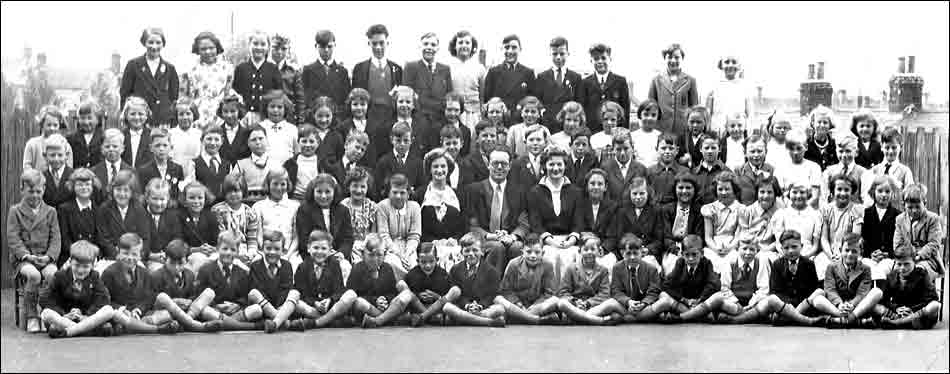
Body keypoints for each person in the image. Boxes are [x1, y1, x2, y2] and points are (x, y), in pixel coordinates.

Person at [8, 169, 61, 333]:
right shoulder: (15, 211)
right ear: (22, 189)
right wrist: (26, 255)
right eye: (30, 191)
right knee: (34, 275)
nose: (35, 195)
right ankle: (31, 315)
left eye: (38, 191)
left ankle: (46, 313)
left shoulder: (51, 211)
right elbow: (13, 238)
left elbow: (56, 238)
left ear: (44, 190)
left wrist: (49, 257)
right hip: (24, 259)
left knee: (53, 274)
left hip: (45, 258)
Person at [100, 233, 181, 335]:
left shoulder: (144, 273)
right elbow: (104, 300)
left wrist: (139, 310)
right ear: (118, 252)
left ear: (140, 255)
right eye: (125, 253)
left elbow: (149, 298)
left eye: (134, 254)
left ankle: (136, 326)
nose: (130, 258)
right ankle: (155, 329)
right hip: (120, 315)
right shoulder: (109, 273)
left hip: (139, 315)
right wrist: (121, 309)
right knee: (116, 316)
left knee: (167, 314)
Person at [527, 147, 584, 282]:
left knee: (570, 257)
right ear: (544, 166)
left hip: (569, 241)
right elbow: (535, 223)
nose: (556, 168)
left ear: (565, 166)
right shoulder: (535, 192)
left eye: (559, 164)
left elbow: (578, 222)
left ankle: (566, 295)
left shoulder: (575, 192)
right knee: (550, 258)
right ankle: (550, 295)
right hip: (547, 241)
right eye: (551, 164)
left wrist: (570, 241)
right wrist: (551, 242)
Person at [40, 241, 117, 338]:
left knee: (108, 310)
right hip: (65, 319)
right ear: (70, 261)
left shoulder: (94, 276)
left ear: (93, 265)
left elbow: (103, 299)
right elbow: (45, 298)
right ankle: (87, 330)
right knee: (46, 313)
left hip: (87, 318)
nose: (80, 270)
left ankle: (69, 332)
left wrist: (86, 316)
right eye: (77, 265)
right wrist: (64, 314)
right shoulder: (60, 276)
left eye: (85, 267)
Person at [286, 230, 359, 330]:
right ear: (308, 248)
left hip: (330, 307)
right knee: (294, 299)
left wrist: (330, 300)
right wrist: (315, 303)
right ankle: (331, 321)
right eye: (315, 248)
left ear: (329, 251)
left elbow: (339, 290)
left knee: (351, 294)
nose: (319, 252)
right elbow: (302, 293)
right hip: (311, 308)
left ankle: (316, 323)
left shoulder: (334, 265)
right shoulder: (302, 267)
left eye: (324, 248)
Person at [193, 231, 266, 331]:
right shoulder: (206, 269)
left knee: (256, 309)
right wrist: (217, 306)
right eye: (225, 249)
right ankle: (249, 327)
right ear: (217, 249)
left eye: (233, 250)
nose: (228, 253)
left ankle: (223, 324)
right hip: (214, 311)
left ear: (237, 252)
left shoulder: (242, 272)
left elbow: (245, 296)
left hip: (235, 312)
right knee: (205, 310)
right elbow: (199, 295)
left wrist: (237, 305)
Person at [808, 233, 882, 328]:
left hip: (857, 306)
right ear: (840, 250)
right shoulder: (831, 267)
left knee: (877, 292)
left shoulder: (865, 269)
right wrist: (839, 304)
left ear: (861, 252)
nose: (850, 254)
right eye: (846, 250)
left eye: (854, 251)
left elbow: (862, 292)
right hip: (838, 306)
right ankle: (854, 320)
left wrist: (851, 304)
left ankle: (844, 319)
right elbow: (830, 290)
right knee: (817, 300)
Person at [148, 239, 223, 333]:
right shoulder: (156, 276)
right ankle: (196, 326)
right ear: (164, 259)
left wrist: (188, 301)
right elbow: (151, 302)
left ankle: (185, 322)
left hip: (187, 312)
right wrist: (174, 302)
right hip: (168, 312)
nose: (176, 267)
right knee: (164, 301)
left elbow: (194, 297)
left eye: (180, 264)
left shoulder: (190, 275)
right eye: (172, 263)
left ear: (187, 261)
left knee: (209, 293)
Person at [348, 234, 416, 328]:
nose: (375, 259)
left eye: (379, 255)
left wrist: (385, 300)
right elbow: (352, 295)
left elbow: (393, 293)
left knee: (407, 294)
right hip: (369, 309)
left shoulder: (387, 268)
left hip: (386, 308)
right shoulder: (357, 269)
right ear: (363, 254)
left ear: (384, 255)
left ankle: (378, 321)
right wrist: (375, 301)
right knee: (359, 302)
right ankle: (389, 320)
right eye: (371, 255)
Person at [295, 174, 355, 279]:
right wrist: (320, 252)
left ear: (334, 192)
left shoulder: (343, 210)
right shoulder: (304, 210)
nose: (323, 196)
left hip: (336, 254)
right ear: (313, 191)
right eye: (319, 192)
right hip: (314, 253)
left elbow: (348, 237)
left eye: (327, 192)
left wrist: (341, 253)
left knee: (344, 267)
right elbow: (304, 238)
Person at [654, 235, 725, 323]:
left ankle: (681, 317)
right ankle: (698, 315)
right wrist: (684, 300)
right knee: (663, 294)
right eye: (687, 255)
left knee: (718, 297)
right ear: (682, 254)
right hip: (684, 304)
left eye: (694, 254)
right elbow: (667, 284)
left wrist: (700, 299)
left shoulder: (706, 263)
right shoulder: (680, 263)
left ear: (702, 253)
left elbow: (714, 284)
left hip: (700, 302)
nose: (690, 259)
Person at [441, 233, 507, 327]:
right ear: (461, 252)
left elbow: (491, 294)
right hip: (464, 307)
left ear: (482, 251)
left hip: (482, 308)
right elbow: (457, 295)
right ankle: (488, 322)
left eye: (475, 250)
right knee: (447, 307)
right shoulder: (455, 269)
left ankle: (466, 319)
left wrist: (480, 306)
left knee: (500, 309)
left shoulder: (492, 271)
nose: (471, 254)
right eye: (467, 251)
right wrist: (467, 305)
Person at [416, 148, 466, 269]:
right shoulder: (420, 194)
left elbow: (463, 226)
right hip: (428, 248)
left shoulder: (458, 195)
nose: (439, 170)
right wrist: (434, 242)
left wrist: (455, 240)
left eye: (443, 166)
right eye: (435, 166)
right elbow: (417, 227)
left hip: (454, 247)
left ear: (448, 169)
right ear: (430, 170)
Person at [495, 235, 561, 325]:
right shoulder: (513, 264)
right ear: (522, 252)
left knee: (555, 300)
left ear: (543, 253)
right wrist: (518, 304)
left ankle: (521, 318)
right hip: (517, 306)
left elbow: (549, 293)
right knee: (498, 299)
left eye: (537, 252)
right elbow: (506, 290)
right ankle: (535, 320)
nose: (533, 256)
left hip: (537, 307)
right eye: (529, 252)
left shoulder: (548, 265)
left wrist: (535, 306)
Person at [872, 245, 942, 330]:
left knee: (935, 305)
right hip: (898, 313)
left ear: (914, 262)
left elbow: (933, 297)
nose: (902, 268)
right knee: (874, 306)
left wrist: (912, 309)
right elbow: (884, 300)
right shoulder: (892, 276)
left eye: (907, 264)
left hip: (916, 314)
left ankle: (897, 323)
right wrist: (896, 308)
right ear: (895, 262)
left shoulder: (922, 274)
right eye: (899, 264)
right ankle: (903, 321)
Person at [120, 27, 179, 125]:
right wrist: (125, 117)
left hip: (162, 120)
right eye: (150, 42)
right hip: (139, 120)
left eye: (158, 43)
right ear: (144, 43)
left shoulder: (170, 68)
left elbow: (173, 98)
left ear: (163, 44)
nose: (154, 47)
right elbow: (125, 94)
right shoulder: (133, 65)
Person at [95, 170, 150, 271]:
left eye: (126, 190)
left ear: (132, 192)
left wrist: (135, 255)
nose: (122, 194)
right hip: (111, 257)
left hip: (134, 257)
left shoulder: (139, 209)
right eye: (118, 190)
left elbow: (145, 237)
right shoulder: (104, 209)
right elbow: (103, 238)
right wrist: (117, 255)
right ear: (112, 190)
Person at [352, 24, 402, 132]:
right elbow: (355, 98)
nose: (378, 47)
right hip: (369, 120)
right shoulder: (360, 68)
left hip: (391, 120)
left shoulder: (397, 69)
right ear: (369, 44)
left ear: (387, 43)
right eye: (374, 43)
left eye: (381, 43)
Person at [247, 230, 301, 333]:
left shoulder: (287, 266)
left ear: (283, 251)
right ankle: (285, 323)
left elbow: (286, 289)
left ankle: (275, 323)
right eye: (268, 248)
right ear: (262, 249)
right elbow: (257, 289)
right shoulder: (256, 266)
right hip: (263, 307)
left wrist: (280, 307)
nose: (272, 252)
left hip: (280, 306)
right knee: (255, 293)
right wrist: (272, 310)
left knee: (294, 293)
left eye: (276, 249)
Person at [714, 235, 772, 324]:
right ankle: (750, 317)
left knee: (767, 302)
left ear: (757, 250)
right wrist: (736, 303)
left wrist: (750, 305)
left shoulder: (761, 262)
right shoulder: (730, 261)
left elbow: (763, 289)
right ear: (737, 249)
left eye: (752, 249)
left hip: (753, 302)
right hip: (734, 302)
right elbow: (724, 288)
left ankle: (736, 319)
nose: (748, 253)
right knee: (718, 299)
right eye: (744, 249)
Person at [555, 238, 615, 325]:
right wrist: (575, 301)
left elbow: (604, 294)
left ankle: (578, 318)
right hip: (574, 306)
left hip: (593, 307)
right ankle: (598, 321)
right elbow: (563, 291)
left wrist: (588, 303)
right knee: (562, 303)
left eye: (593, 249)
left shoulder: (603, 270)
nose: (589, 252)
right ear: (580, 251)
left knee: (611, 304)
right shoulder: (571, 268)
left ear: (599, 251)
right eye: (586, 249)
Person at [182, 31, 234, 129]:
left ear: (217, 48)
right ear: (197, 50)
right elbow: (186, 96)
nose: (208, 52)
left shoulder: (227, 68)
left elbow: (227, 94)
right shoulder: (191, 69)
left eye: (211, 48)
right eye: (203, 49)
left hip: (219, 114)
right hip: (198, 113)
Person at [894, 183, 946, 279]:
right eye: (910, 207)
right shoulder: (900, 219)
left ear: (925, 203)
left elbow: (934, 243)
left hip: (928, 259)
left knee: (917, 272)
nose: (914, 210)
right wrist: (908, 257)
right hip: (905, 258)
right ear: (903, 205)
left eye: (917, 207)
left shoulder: (932, 219)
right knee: (894, 273)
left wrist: (918, 255)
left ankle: (924, 293)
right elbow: (898, 243)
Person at [376, 174, 423, 280]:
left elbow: (415, 235)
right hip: (389, 248)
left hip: (409, 247)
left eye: (402, 193)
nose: (398, 196)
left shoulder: (415, 207)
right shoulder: (382, 206)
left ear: (408, 194)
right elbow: (383, 235)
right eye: (395, 192)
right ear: (389, 193)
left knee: (414, 266)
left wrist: (407, 254)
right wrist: (399, 255)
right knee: (392, 264)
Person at [816, 175, 863, 279]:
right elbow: (824, 238)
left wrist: (843, 254)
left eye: (846, 190)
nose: (842, 193)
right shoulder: (826, 210)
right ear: (833, 191)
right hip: (830, 251)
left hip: (849, 250)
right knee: (822, 264)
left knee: (851, 266)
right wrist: (831, 255)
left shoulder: (856, 210)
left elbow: (855, 237)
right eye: (839, 189)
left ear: (852, 192)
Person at [252, 168, 300, 268]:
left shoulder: (295, 206)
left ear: (287, 185)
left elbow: (296, 236)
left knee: (294, 266)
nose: (279, 188)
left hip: (289, 252)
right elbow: (258, 234)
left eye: (283, 184)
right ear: (268, 185)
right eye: (275, 184)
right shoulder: (258, 206)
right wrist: (265, 252)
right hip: (265, 251)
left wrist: (287, 254)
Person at [659, 173, 705, 276]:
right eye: (680, 187)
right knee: (671, 265)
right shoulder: (666, 209)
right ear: (675, 189)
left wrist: (688, 250)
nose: (684, 191)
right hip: (671, 248)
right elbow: (665, 236)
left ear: (694, 190)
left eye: (688, 188)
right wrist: (676, 250)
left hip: (692, 248)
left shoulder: (699, 210)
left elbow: (699, 235)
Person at [534, 36, 582, 134]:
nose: (558, 57)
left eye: (562, 54)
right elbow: (538, 103)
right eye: (555, 54)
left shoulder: (576, 77)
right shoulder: (542, 77)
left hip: (568, 126)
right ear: (550, 54)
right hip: (548, 125)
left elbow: (579, 104)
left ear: (568, 54)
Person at [648, 43, 698, 136]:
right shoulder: (656, 80)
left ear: (682, 58)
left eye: (677, 57)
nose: (673, 60)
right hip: (661, 129)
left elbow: (694, 108)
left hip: (683, 130)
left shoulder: (690, 80)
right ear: (664, 59)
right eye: (669, 57)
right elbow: (651, 106)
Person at [210, 175, 260, 268]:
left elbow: (252, 238)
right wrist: (236, 255)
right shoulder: (218, 211)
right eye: (229, 191)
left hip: (245, 249)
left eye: (236, 191)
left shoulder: (250, 213)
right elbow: (220, 237)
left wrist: (251, 253)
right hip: (224, 248)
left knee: (258, 262)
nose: (233, 194)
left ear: (243, 191)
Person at [578, 43, 629, 133]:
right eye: (596, 59)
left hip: (614, 130)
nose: (600, 61)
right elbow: (582, 110)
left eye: (603, 58)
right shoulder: (585, 83)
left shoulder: (620, 81)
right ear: (591, 61)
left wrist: (624, 131)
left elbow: (625, 109)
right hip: (592, 131)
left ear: (610, 59)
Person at [233, 30, 282, 122]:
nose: (259, 47)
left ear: (268, 47)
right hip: (244, 117)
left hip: (266, 118)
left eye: (263, 44)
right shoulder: (241, 68)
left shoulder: (273, 69)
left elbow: (278, 95)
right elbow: (236, 93)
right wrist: (243, 113)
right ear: (249, 45)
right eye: (255, 43)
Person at [483, 34, 534, 122]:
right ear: (502, 50)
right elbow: (487, 99)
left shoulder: (528, 73)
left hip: (520, 120)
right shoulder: (493, 72)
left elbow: (531, 101)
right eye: (506, 48)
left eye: (514, 48)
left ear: (520, 49)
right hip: (498, 120)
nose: (510, 51)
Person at [404, 32, 453, 124]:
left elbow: (449, 95)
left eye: (433, 45)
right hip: (418, 120)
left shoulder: (445, 69)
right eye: (425, 44)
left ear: (437, 48)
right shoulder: (411, 67)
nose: (429, 47)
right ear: (420, 46)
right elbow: (407, 95)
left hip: (440, 120)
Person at [56, 168, 100, 266]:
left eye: (87, 184)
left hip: (93, 257)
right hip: (71, 257)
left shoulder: (98, 210)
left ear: (93, 186)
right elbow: (64, 239)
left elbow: (100, 238)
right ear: (73, 187)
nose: (84, 188)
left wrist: (93, 255)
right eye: (80, 185)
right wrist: (79, 255)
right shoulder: (64, 209)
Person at [861, 175, 899, 284]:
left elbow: (899, 241)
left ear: (892, 193)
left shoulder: (898, 215)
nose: (883, 195)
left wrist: (887, 254)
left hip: (889, 257)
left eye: (887, 191)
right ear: (873, 192)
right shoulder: (866, 213)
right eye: (880, 191)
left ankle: (881, 297)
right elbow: (864, 238)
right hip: (869, 257)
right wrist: (871, 254)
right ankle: (868, 296)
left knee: (882, 269)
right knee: (866, 268)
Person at [229, 125, 282, 204]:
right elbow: (233, 187)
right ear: (248, 143)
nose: (258, 142)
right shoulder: (241, 165)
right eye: (253, 140)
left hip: (271, 205)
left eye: (261, 138)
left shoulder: (276, 164)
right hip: (247, 204)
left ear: (267, 140)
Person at [402, 243, 452, 327]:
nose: (428, 265)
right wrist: (417, 296)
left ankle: (426, 317)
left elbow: (447, 295)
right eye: (423, 262)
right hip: (418, 307)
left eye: (431, 261)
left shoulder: (443, 274)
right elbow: (408, 294)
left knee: (448, 312)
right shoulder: (412, 275)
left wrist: (436, 296)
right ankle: (430, 317)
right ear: (417, 261)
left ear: (437, 259)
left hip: (436, 307)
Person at [701, 172, 742, 273]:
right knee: (708, 259)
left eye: (727, 189)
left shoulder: (741, 209)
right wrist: (715, 248)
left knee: (732, 259)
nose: (723, 192)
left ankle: (726, 287)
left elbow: (738, 235)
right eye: (720, 189)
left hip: (733, 245)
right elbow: (708, 236)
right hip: (714, 245)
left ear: (734, 189)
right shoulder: (709, 209)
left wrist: (729, 247)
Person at [447, 30, 487, 133]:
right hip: (455, 113)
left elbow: (482, 97)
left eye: (467, 43)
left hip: (474, 114)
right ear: (454, 46)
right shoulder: (448, 67)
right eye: (460, 42)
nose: (464, 45)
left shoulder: (480, 68)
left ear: (472, 46)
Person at [373, 121, 426, 197]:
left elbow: (422, 186)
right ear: (391, 140)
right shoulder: (383, 162)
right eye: (398, 140)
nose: (402, 144)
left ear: (411, 140)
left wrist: (414, 193)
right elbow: (377, 188)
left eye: (406, 140)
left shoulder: (418, 163)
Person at [862, 127, 914, 204]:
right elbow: (866, 195)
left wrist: (897, 185)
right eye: (887, 147)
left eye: (894, 147)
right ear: (881, 147)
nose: (890, 151)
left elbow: (910, 198)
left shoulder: (905, 171)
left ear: (901, 147)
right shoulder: (874, 170)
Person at [737, 177, 783, 262]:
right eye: (762, 192)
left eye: (769, 192)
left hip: (770, 250)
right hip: (749, 248)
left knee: (764, 259)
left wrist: (766, 249)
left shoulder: (780, 213)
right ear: (757, 193)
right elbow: (742, 235)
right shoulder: (748, 211)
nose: (765, 196)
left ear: (775, 194)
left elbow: (779, 239)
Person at [706, 54, 753, 136]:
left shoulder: (745, 86)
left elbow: (749, 113)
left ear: (738, 66)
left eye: (734, 62)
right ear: (721, 65)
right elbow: (708, 112)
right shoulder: (713, 86)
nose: (730, 65)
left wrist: (748, 131)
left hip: (738, 130)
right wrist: (708, 129)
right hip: (718, 130)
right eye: (727, 62)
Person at [339, 167, 378, 265]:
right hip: (349, 246)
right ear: (348, 186)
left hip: (367, 246)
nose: (358, 190)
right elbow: (341, 234)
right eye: (355, 186)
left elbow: (374, 232)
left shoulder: (372, 206)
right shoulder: (343, 206)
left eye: (363, 186)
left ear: (368, 187)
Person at [142, 178, 182, 271]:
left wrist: (169, 255)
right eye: (154, 199)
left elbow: (178, 238)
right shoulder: (140, 214)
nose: (158, 203)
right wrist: (150, 256)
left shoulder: (173, 215)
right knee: (158, 270)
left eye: (162, 199)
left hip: (169, 258)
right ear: (147, 198)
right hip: (148, 258)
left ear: (168, 199)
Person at [283, 124, 331, 200]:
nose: (308, 145)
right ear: (298, 142)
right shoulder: (290, 163)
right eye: (304, 141)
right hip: (295, 198)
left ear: (318, 143)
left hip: (317, 199)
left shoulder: (323, 163)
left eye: (311, 141)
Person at [137, 129, 185, 205]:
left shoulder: (177, 169)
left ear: (170, 147)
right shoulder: (143, 170)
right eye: (157, 145)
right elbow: (142, 195)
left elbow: (179, 193)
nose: (161, 149)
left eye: (165, 145)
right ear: (151, 148)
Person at [578, 169, 619, 257]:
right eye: (592, 183)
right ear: (587, 186)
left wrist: (602, 249)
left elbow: (613, 236)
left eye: (600, 184)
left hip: (604, 250)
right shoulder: (579, 204)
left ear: (605, 187)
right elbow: (578, 229)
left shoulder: (613, 207)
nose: (596, 187)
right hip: (583, 247)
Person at [23, 105, 74, 172]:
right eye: (49, 125)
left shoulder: (65, 145)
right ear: (42, 125)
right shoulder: (32, 144)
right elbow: (27, 167)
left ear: (59, 125)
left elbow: (69, 169)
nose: (52, 128)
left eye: (55, 125)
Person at [819, 134, 866, 205]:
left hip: (855, 213)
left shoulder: (863, 173)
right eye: (841, 151)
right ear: (836, 152)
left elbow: (866, 201)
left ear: (856, 152)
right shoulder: (828, 172)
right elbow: (823, 199)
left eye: (848, 151)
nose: (844, 155)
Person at [600, 131, 647, 201]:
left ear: (632, 148)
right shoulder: (605, 168)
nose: (622, 153)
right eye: (618, 149)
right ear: (613, 150)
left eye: (626, 148)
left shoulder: (641, 169)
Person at [187, 126, 231, 202]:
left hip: (223, 207)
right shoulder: (194, 163)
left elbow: (230, 187)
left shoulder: (227, 165)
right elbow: (192, 186)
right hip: (202, 207)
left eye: (216, 139)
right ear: (202, 140)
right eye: (209, 139)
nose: (213, 143)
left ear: (222, 141)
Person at [269, 34, 305, 124]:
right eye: (276, 48)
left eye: (284, 49)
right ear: (269, 48)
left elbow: (300, 99)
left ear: (288, 50)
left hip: (288, 119)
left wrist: (300, 121)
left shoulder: (294, 72)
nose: (279, 52)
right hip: (267, 118)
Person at [647, 134, 689, 205]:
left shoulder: (684, 172)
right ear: (657, 149)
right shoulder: (650, 171)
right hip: (654, 211)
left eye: (671, 148)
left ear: (677, 150)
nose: (667, 152)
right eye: (663, 148)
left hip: (675, 211)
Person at [259, 90, 298, 166]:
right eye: (272, 106)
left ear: (285, 109)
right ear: (266, 108)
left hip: (286, 170)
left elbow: (296, 152)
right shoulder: (260, 127)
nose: (275, 110)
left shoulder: (292, 129)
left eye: (279, 107)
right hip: (264, 169)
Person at [733, 135, 775, 205]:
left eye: (759, 151)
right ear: (745, 153)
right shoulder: (738, 171)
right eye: (752, 152)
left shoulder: (771, 170)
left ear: (766, 152)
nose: (756, 155)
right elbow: (735, 197)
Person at [168, 99, 203, 180]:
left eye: (188, 114)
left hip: (195, 176)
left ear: (194, 115)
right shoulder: (170, 134)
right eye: (181, 114)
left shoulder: (199, 135)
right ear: (176, 116)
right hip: (174, 175)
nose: (185, 117)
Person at [216, 93, 252, 164]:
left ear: (239, 112)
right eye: (225, 111)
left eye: (233, 111)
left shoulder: (247, 133)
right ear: (221, 112)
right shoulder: (216, 132)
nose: (229, 115)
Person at [120, 97, 154, 168]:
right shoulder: (121, 135)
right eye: (132, 114)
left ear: (146, 116)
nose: (137, 117)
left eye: (140, 114)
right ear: (126, 115)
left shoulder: (152, 136)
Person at [41, 134, 73, 208]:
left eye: (60, 155)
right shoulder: (41, 177)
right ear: (45, 156)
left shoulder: (73, 176)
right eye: (52, 155)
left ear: (67, 155)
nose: (56, 159)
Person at [69, 101, 104, 169]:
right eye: (82, 118)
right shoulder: (71, 138)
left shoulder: (104, 137)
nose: (86, 122)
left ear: (97, 119)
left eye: (89, 118)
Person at [803, 105, 839, 171]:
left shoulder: (835, 145)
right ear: (813, 123)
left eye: (825, 122)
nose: (822, 125)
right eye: (819, 122)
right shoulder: (806, 144)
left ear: (830, 125)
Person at [631, 100, 662, 168]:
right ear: (640, 115)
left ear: (658, 117)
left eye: (653, 115)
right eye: (646, 114)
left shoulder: (660, 137)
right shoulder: (633, 136)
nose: (649, 118)